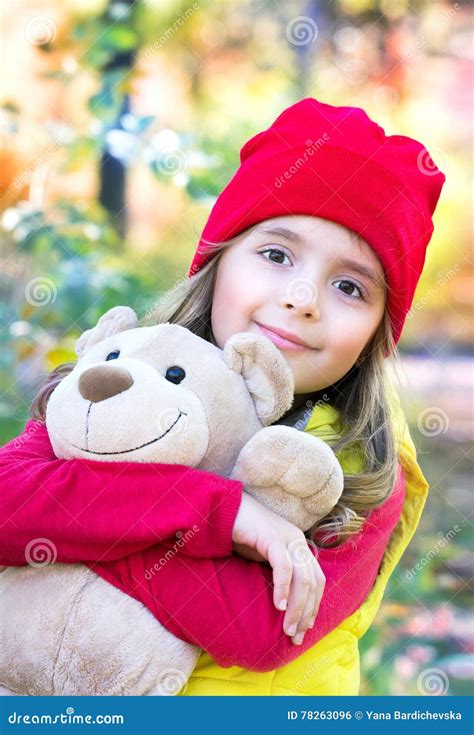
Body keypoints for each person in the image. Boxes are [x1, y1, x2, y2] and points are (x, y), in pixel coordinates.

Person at [0, 98, 445, 695]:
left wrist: (89, 532)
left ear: (376, 332)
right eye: (276, 254)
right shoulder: (129, 367)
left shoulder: (360, 469)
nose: (303, 297)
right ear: (219, 259)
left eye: (349, 286)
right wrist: (219, 512)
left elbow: (263, 629)